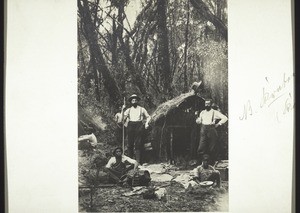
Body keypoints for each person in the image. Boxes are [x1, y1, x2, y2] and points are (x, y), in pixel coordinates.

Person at [122, 94, 151, 163]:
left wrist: (147, 123)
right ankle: (130, 161)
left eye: (135, 100)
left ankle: (138, 161)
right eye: (133, 100)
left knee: (138, 144)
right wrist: (122, 110)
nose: (134, 101)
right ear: (131, 102)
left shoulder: (142, 109)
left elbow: (148, 117)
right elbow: (122, 120)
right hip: (131, 125)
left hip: (139, 125)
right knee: (130, 144)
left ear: (137, 101)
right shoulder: (128, 110)